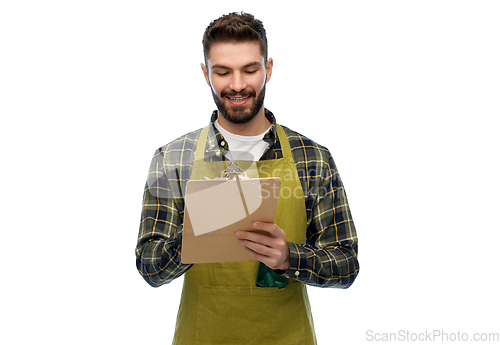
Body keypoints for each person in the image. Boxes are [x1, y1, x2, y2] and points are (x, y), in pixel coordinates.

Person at [135, 12, 359, 345]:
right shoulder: (173, 158)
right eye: (223, 72)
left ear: (268, 69)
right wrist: (198, 227)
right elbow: (150, 267)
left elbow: (345, 264)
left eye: (250, 70)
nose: (237, 84)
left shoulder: (312, 158)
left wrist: (289, 258)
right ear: (205, 74)